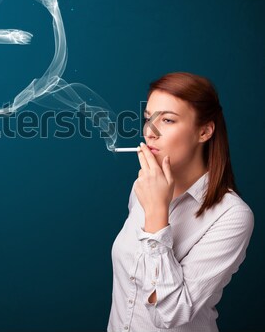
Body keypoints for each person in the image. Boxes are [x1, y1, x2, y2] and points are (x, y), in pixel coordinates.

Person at [107, 72, 254, 332]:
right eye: (147, 119)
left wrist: (156, 214)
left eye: (167, 120)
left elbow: (171, 315)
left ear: (205, 131)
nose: (150, 132)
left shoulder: (232, 216)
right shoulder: (142, 188)